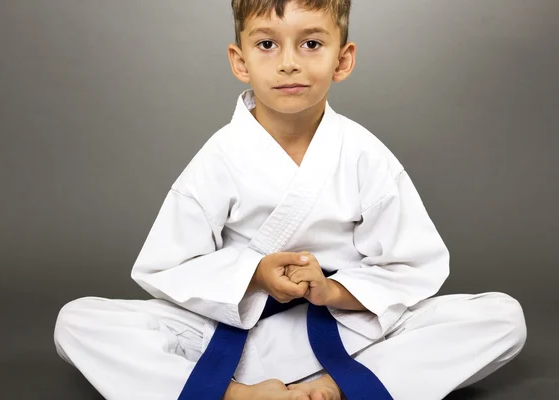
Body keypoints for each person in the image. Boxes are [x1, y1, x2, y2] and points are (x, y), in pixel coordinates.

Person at [53, 1, 527, 399]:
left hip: (345, 326)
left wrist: (333, 292)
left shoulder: (364, 154)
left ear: (342, 59)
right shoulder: (220, 156)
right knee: (76, 322)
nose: (288, 63)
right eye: (267, 44)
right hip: (236, 329)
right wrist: (253, 275)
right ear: (240, 61)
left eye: (311, 43)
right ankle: (238, 394)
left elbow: (412, 263)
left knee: (502, 316)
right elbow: (164, 266)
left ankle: (335, 386)